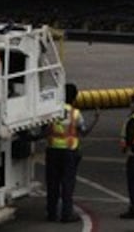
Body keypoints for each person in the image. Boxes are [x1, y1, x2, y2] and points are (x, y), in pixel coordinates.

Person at [45, 83, 97, 223]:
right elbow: (84, 132)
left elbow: (44, 129)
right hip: (69, 153)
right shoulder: (75, 114)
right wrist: (95, 120)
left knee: (52, 184)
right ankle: (66, 214)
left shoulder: (52, 111)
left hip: (52, 151)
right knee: (67, 185)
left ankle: (51, 213)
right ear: (74, 98)